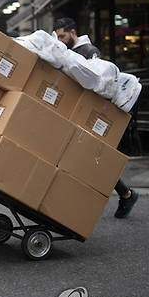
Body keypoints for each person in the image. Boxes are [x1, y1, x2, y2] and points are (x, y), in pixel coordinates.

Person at [53, 17, 138, 219]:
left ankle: (125, 194)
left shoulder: (90, 52)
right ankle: (125, 194)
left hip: (92, 115)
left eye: (63, 35)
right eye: (57, 36)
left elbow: (99, 86)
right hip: (79, 112)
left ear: (73, 32)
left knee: (92, 159)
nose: (60, 40)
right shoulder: (70, 52)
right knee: (89, 159)